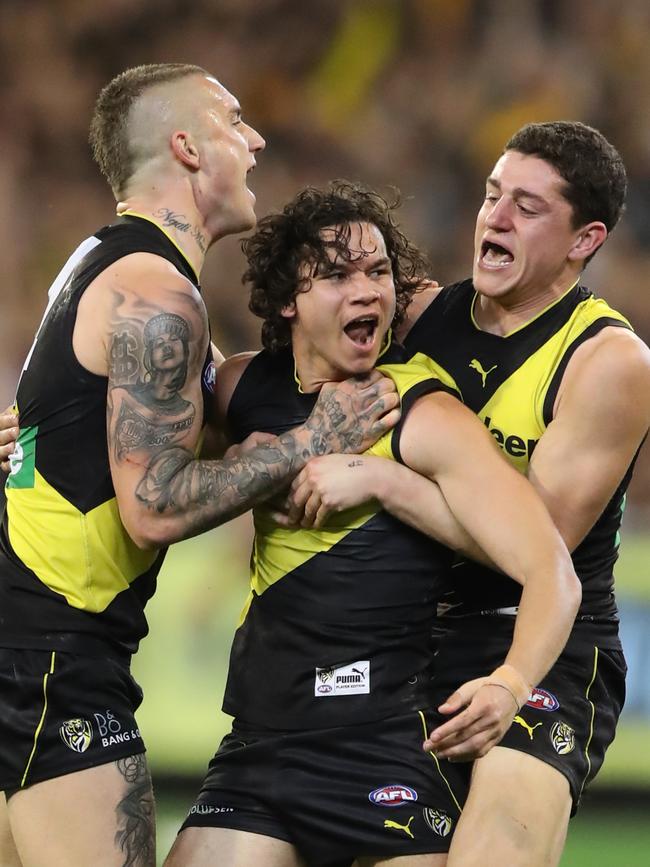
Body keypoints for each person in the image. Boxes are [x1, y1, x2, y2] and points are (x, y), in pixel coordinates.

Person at [0, 66, 400, 867]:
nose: (254, 141)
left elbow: (219, 405)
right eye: (233, 121)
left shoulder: (106, 263)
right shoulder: (158, 295)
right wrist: (310, 440)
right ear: (185, 147)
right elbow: (153, 502)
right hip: (51, 654)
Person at [164, 182, 581, 867]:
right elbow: (148, 475)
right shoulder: (241, 389)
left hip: (384, 746)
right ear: (287, 300)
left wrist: (510, 682)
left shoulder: (418, 409)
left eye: (378, 271)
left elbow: (551, 572)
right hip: (260, 750)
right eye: (336, 274)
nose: (366, 290)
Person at [291, 124, 650, 866]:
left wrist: (386, 480)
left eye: (527, 206)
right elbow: (276, 375)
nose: (495, 217)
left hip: (546, 640)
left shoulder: (608, 361)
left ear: (585, 240)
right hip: (413, 632)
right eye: (492, 195)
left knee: (498, 845)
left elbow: (531, 544)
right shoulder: (415, 316)